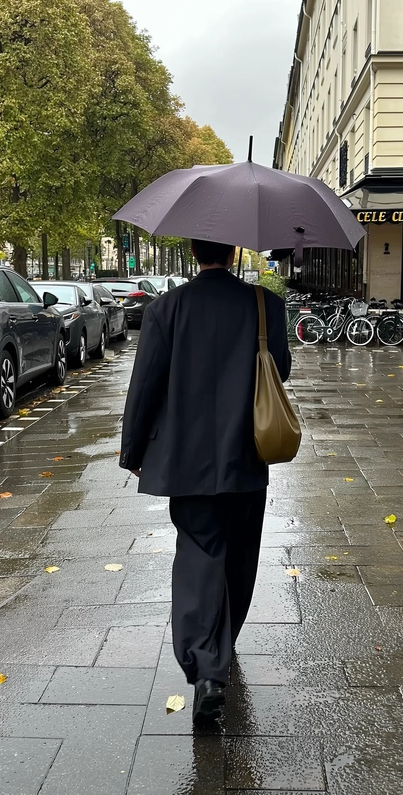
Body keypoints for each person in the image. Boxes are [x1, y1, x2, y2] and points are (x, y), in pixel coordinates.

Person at [119, 239, 291, 724]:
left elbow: (146, 382)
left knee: (198, 550)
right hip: (247, 453)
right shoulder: (266, 305)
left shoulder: (165, 307)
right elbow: (280, 371)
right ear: (234, 253)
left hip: (186, 459)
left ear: (194, 251)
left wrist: (133, 449)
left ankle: (206, 667)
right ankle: (223, 644)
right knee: (240, 554)